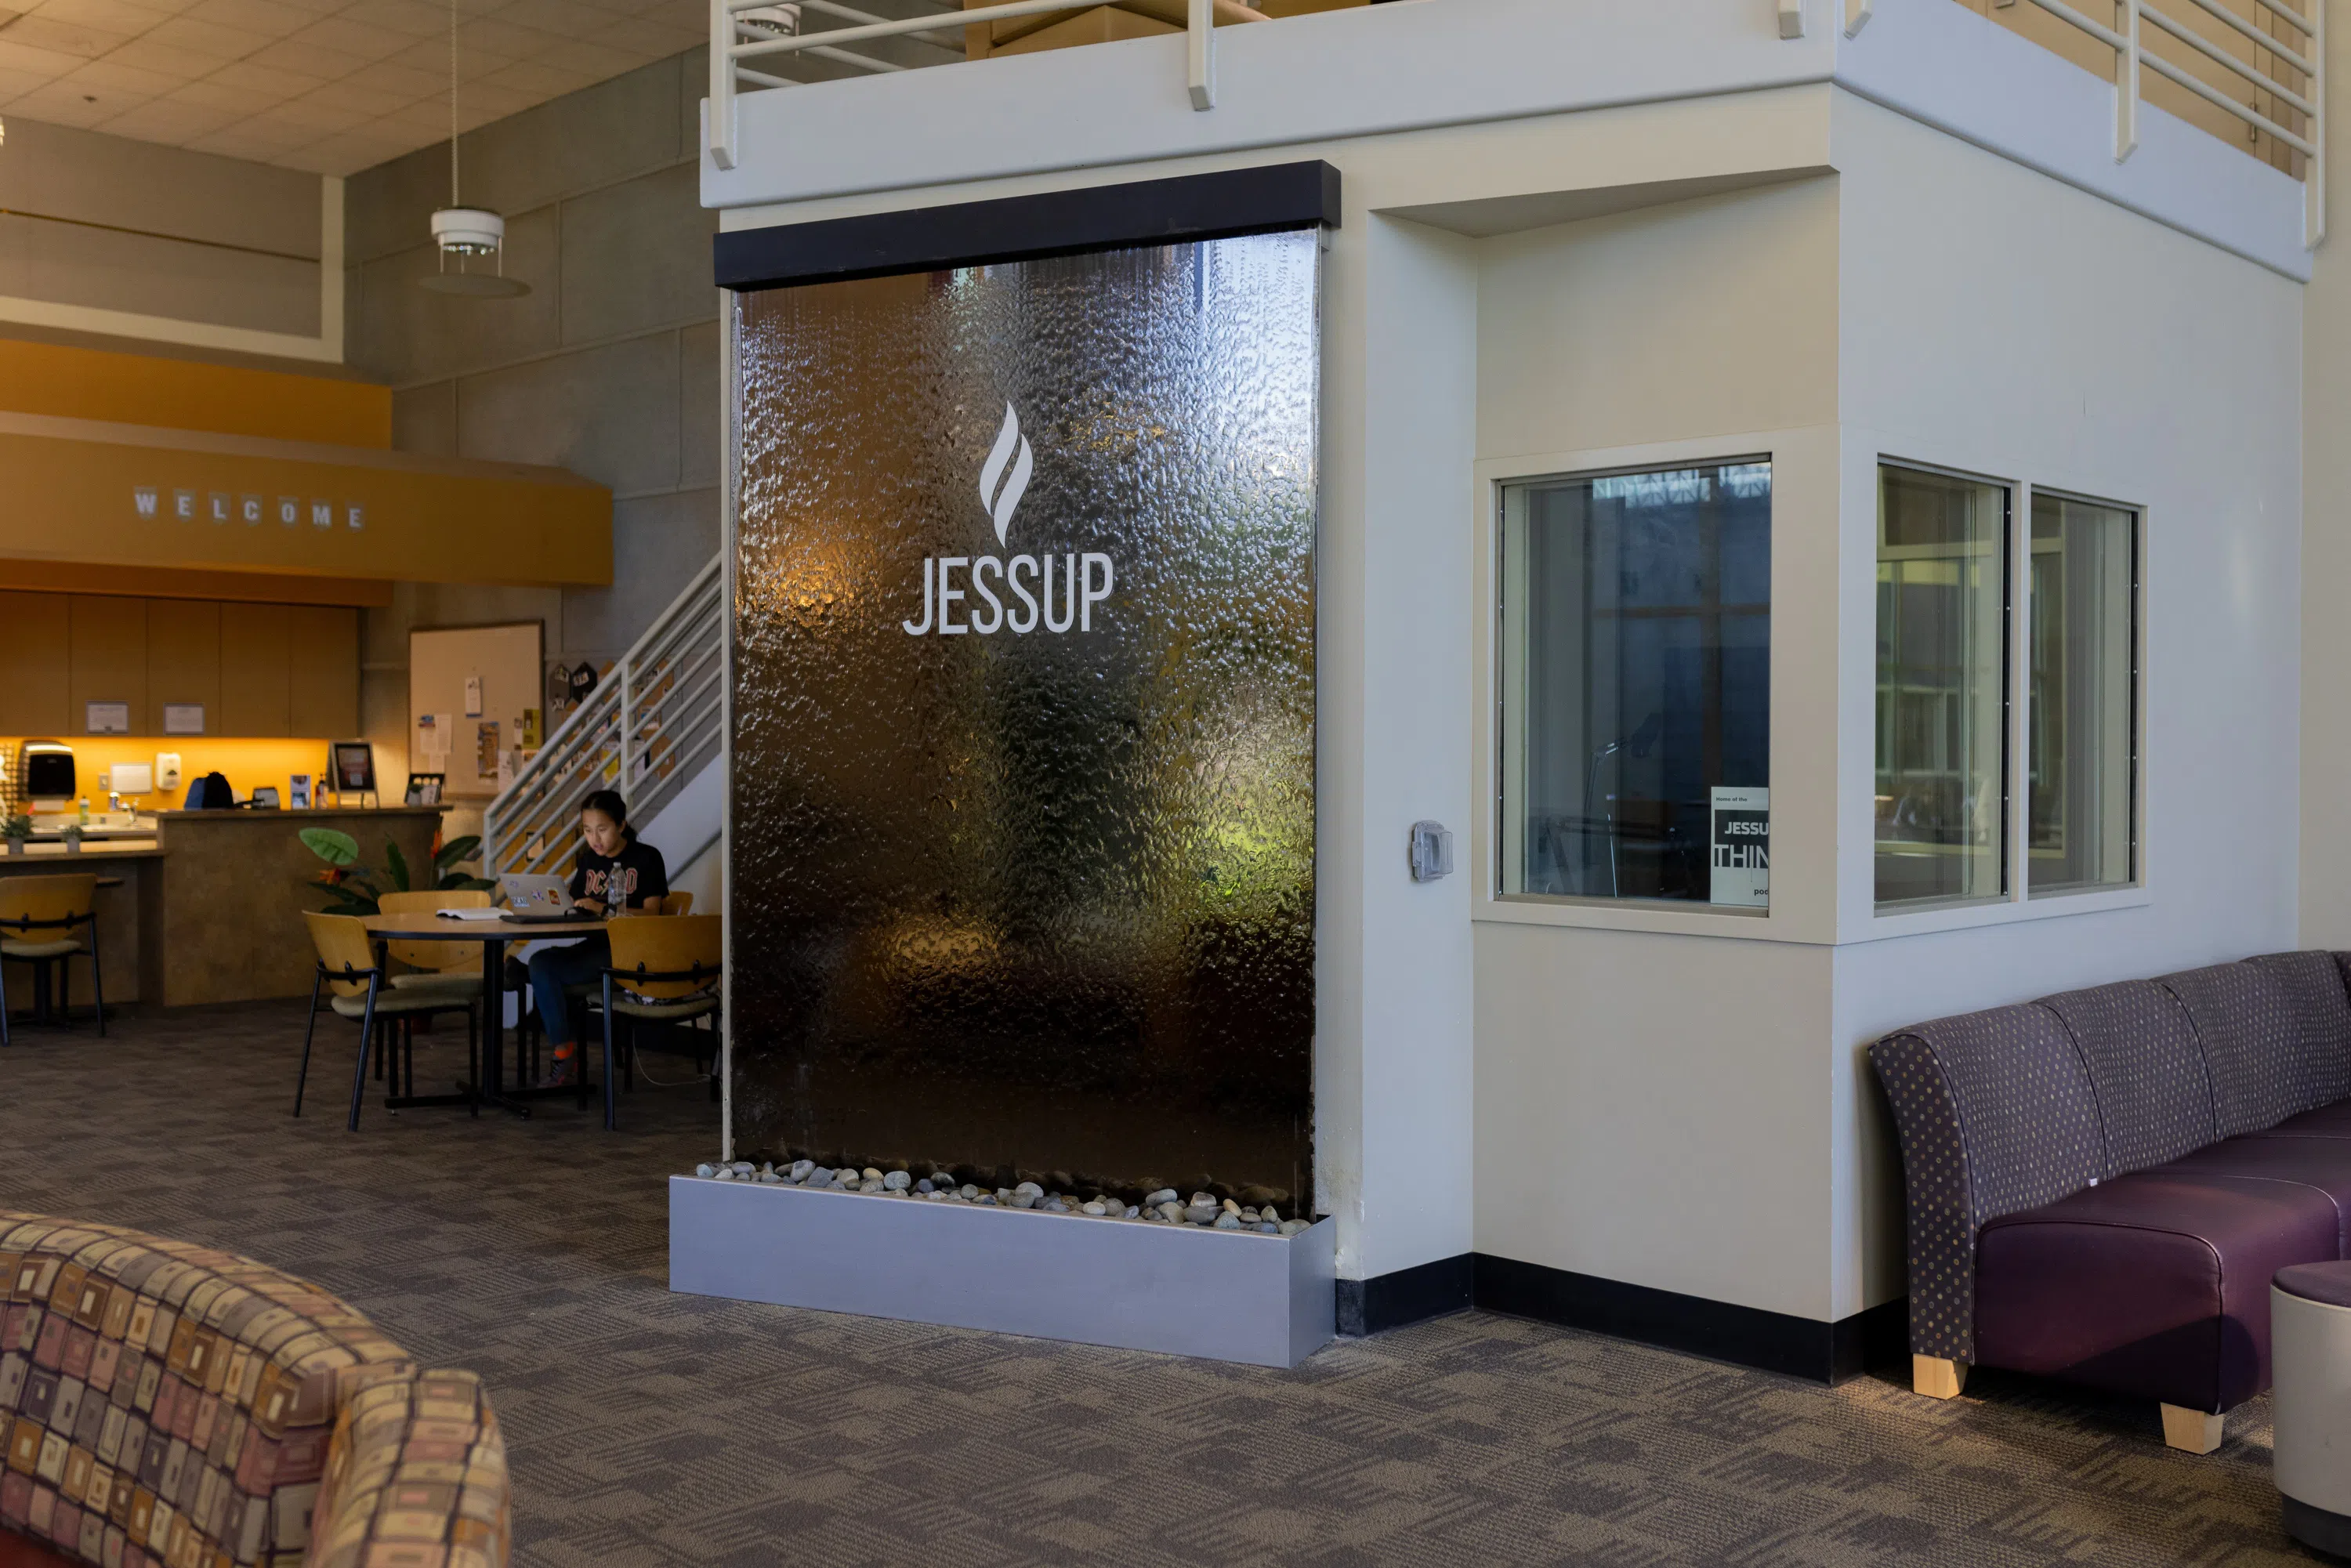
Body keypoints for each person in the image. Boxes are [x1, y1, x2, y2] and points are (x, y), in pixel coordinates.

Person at [525, 789, 668, 1087]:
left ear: (621, 825)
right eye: (588, 831)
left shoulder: (647, 858)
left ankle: (564, 1055)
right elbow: (576, 904)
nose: (595, 839)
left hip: (629, 954)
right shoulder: (589, 860)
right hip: (595, 947)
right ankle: (563, 1049)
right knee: (540, 962)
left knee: (542, 968)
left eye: (602, 830)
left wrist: (603, 908)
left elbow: (654, 914)